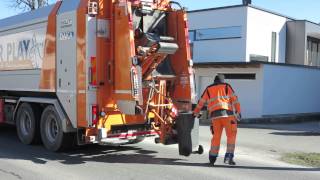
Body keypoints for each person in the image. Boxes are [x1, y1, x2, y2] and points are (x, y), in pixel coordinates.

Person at [193, 74, 241, 166]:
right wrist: (238, 112)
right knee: (231, 136)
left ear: (214, 81)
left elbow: (201, 102)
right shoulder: (227, 86)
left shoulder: (208, 89)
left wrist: (195, 112)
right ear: (222, 81)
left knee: (216, 137)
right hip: (228, 115)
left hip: (215, 117)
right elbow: (235, 100)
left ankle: (212, 158)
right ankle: (228, 157)